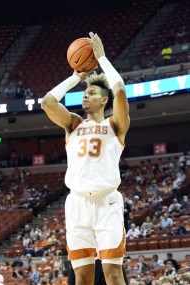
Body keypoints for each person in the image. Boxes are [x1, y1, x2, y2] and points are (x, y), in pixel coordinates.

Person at [41, 32, 129, 285]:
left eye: (90, 92)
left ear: (104, 100)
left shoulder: (116, 125)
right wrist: (75, 77)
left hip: (107, 204)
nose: (84, 95)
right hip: (77, 204)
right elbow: (47, 102)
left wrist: (101, 58)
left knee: (113, 274)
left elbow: (120, 90)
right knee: (82, 277)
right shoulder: (73, 124)